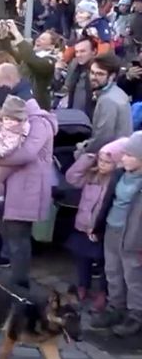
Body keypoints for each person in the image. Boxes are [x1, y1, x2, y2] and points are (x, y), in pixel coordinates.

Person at [0, 97, 58, 288]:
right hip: (8, 187)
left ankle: (20, 285)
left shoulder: (39, 123)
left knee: (18, 238)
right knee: (7, 234)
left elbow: (26, 154)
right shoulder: (14, 119)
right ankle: (12, 279)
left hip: (26, 189)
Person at [91, 131, 142, 336]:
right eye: (125, 153)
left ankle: (136, 314)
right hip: (112, 228)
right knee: (112, 271)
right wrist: (97, 224)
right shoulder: (120, 174)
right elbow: (107, 201)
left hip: (134, 235)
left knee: (133, 275)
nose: (124, 158)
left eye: (130, 155)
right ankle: (116, 307)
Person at [65, 138, 125, 310]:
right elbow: (72, 177)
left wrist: (97, 227)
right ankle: (83, 285)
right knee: (81, 257)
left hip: (100, 228)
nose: (103, 165)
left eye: (108, 162)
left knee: (103, 262)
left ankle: (102, 292)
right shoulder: (92, 174)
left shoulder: (115, 182)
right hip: (83, 225)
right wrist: (89, 158)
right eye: (101, 160)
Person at [76, 53, 132, 157]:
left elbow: (102, 138)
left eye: (100, 74)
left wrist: (83, 151)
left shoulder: (108, 100)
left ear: (112, 76)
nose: (93, 77)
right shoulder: (118, 92)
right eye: (92, 73)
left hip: (109, 158)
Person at [0, 96, 31, 213]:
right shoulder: (9, 126)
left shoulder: (17, 130)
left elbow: (9, 147)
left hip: (9, 157)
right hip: (2, 154)